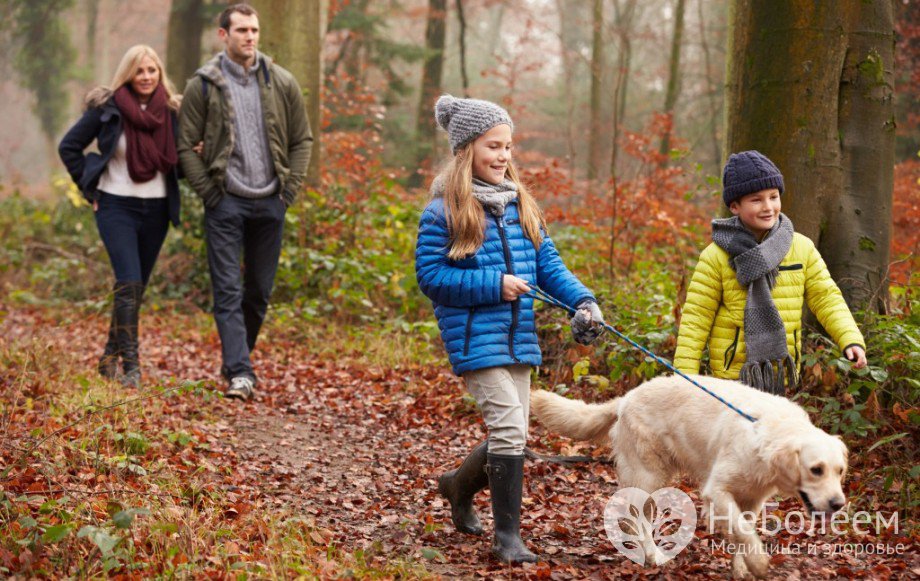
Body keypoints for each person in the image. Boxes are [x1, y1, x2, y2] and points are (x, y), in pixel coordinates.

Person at [415, 95, 605, 564]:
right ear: (466, 150)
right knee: (506, 429)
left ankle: (456, 488)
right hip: (473, 337)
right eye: (493, 146)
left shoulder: (522, 205)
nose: (503, 156)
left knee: (515, 435)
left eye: (508, 147)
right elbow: (432, 278)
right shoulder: (444, 211)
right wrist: (493, 284)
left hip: (518, 337)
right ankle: (507, 539)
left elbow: (549, 266)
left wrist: (582, 301)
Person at [178, 3, 312, 401]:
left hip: (271, 200)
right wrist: (210, 193)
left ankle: (237, 361)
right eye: (241, 30)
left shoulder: (282, 81)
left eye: (254, 30)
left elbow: (302, 139)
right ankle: (240, 371)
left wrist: (289, 191)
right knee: (227, 291)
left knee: (259, 291)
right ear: (224, 35)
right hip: (226, 202)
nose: (249, 37)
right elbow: (185, 145)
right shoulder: (202, 85)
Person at [674, 150, 868, 394]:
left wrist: (850, 338)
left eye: (773, 197)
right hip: (732, 377)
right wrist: (684, 381)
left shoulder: (801, 248)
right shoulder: (716, 256)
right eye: (756, 200)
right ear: (735, 206)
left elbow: (826, 297)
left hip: (781, 373)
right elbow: (696, 320)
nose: (768, 207)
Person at [59, 45, 182, 388]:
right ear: (128, 74)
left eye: (152, 70)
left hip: (157, 209)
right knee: (128, 282)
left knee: (135, 288)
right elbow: (69, 146)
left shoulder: (172, 112)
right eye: (139, 71)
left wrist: (196, 153)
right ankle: (132, 367)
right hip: (116, 207)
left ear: (160, 73)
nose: (146, 77)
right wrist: (90, 188)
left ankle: (108, 358)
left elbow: (178, 164)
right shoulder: (108, 109)